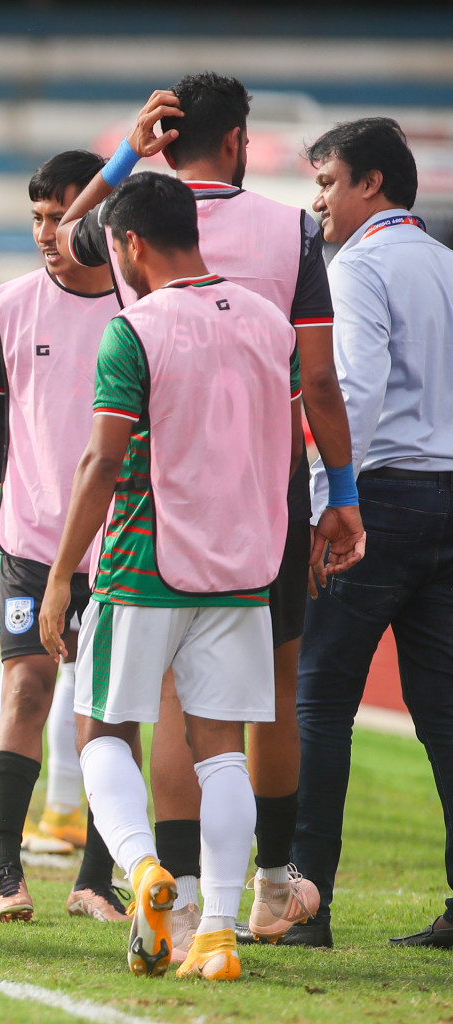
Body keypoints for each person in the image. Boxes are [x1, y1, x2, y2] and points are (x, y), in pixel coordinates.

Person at [56, 72, 365, 958]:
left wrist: (123, 154)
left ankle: (172, 889)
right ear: (237, 142)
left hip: (152, 522)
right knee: (251, 714)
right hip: (259, 523)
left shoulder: (128, 247)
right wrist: (337, 496)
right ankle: (258, 896)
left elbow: (63, 244)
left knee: (150, 710)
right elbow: (319, 383)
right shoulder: (289, 237)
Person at [41, 171, 307, 981]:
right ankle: (220, 934)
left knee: (100, 731)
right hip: (243, 568)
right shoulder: (270, 321)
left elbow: (101, 459)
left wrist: (60, 578)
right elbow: (287, 436)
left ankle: (145, 870)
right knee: (222, 750)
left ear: (128, 245)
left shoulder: (136, 329)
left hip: (145, 561)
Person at [292, 118, 453, 950]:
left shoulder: (353, 266)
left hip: (379, 498)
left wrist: (332, 498)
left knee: (318, 700)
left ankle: (305, 907)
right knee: (446, 714)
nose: (316, 199)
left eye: (327, 181)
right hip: (448, 496)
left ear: (373, 185)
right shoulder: (446, 264)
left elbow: (345, 388)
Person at [0, 150, 127, 924]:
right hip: (29, 539)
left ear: (101, 221)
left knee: (110, 707)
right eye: (36, 217)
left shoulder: (143, 305)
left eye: (61, 216)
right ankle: (5, 869)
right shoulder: (10, 302)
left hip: (123, 540)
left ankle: (96, 876)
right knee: (27, 687)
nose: (46, 232)